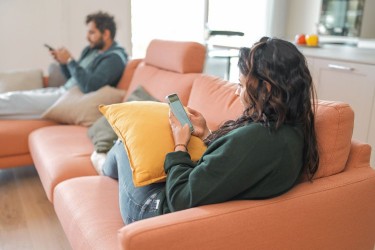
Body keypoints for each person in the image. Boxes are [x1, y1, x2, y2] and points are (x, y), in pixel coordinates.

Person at [102, 37, 320, 225]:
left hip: (156, 210)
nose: (237, 92)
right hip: (191, 193)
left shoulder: (257, 140)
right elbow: (231, 166)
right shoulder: (293, 131)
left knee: (125, 143)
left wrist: (180, 146)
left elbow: (179, 199)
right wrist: (207, 134)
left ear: (267, 88)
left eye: (242, 85)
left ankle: (103, 166)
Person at [0, 11, 128, 119]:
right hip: (62, 91)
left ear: (106, 34)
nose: (87, 37)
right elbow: (73, 78)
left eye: (92, 33)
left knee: (15, 100)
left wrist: (70, 61)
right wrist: (63, 63)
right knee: (18, 95)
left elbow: (89, 86)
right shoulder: (91, 50)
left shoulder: (114, 59)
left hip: (68, 100)